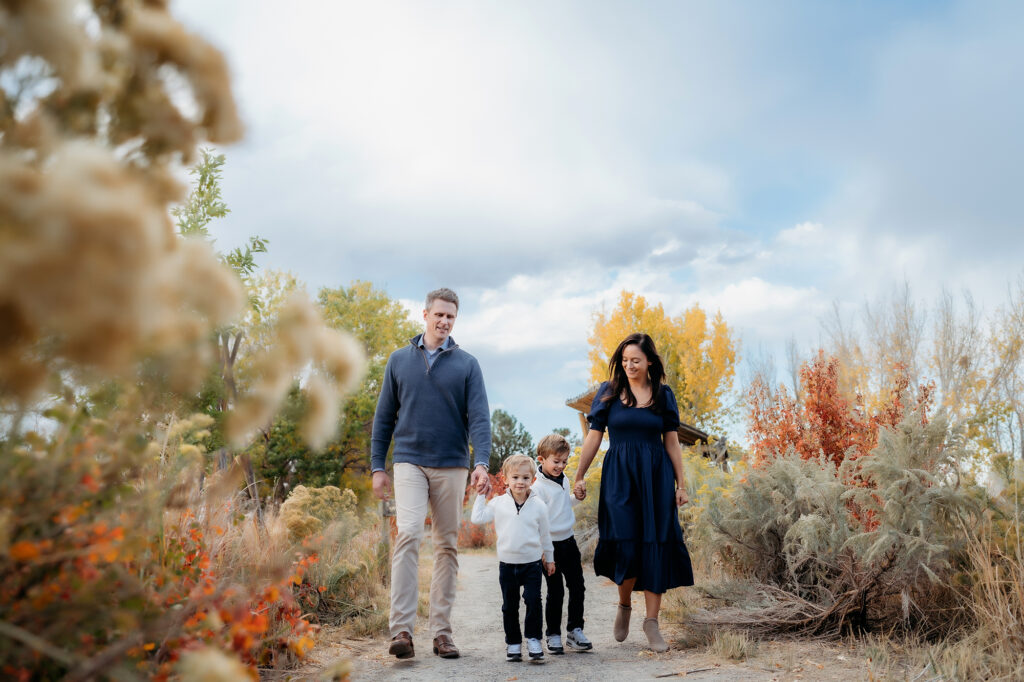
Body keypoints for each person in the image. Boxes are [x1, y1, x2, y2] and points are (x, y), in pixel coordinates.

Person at [370, 287, 492, 660]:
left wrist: (482, 462)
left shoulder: (467, 364)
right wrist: (378, 466)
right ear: (425, 314)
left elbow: (480, 419)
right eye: (438, 314)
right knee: (407, 534)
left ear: (455, 320)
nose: (444, 321)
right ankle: (402, 631)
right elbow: (383, 417)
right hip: (409, 460)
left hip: (452, 464)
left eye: (450, 317)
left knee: (446, 544)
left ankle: (441, 632)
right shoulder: (398, 360)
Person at [573, 332, 693, 653]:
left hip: (656, 477)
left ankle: (651, 622)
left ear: (649, 361)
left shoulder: (663, 395)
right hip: (619, 477)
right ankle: (624, 605)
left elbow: (672, 442)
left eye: (635, 361)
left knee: (655, 541)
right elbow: (594, 437)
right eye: (624, 361)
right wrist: (580, 475)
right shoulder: (609, 393)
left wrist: (681, 484)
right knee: (625, 544)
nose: (629, 366)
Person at [471, 454, 556, 662]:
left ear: (532, 480)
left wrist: (550, 558)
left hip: (532, 564)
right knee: (510, 605)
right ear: (506, 479)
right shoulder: (498, 503)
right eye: (515, 477)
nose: (520, 482)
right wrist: (481, 494)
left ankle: (534, 640)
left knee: (534, 601)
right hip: (507, 565)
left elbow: (545, 535)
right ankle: (514, 643)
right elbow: (477, 517)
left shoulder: (539, 506)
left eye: (526, 478)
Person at [531, 434, 592, 654]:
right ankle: (553, 634)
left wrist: (577, 497)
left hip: (569, 541)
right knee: (555, 591)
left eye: (564, 461)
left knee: (577, 587)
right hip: (550, 546)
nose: (561, 466)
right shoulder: (537, 489)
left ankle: (575, 630)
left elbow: (564, 504)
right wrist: (543, 550)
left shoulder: (564, 479)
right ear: (542, 459)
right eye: (556, 461)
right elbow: (537, 520)